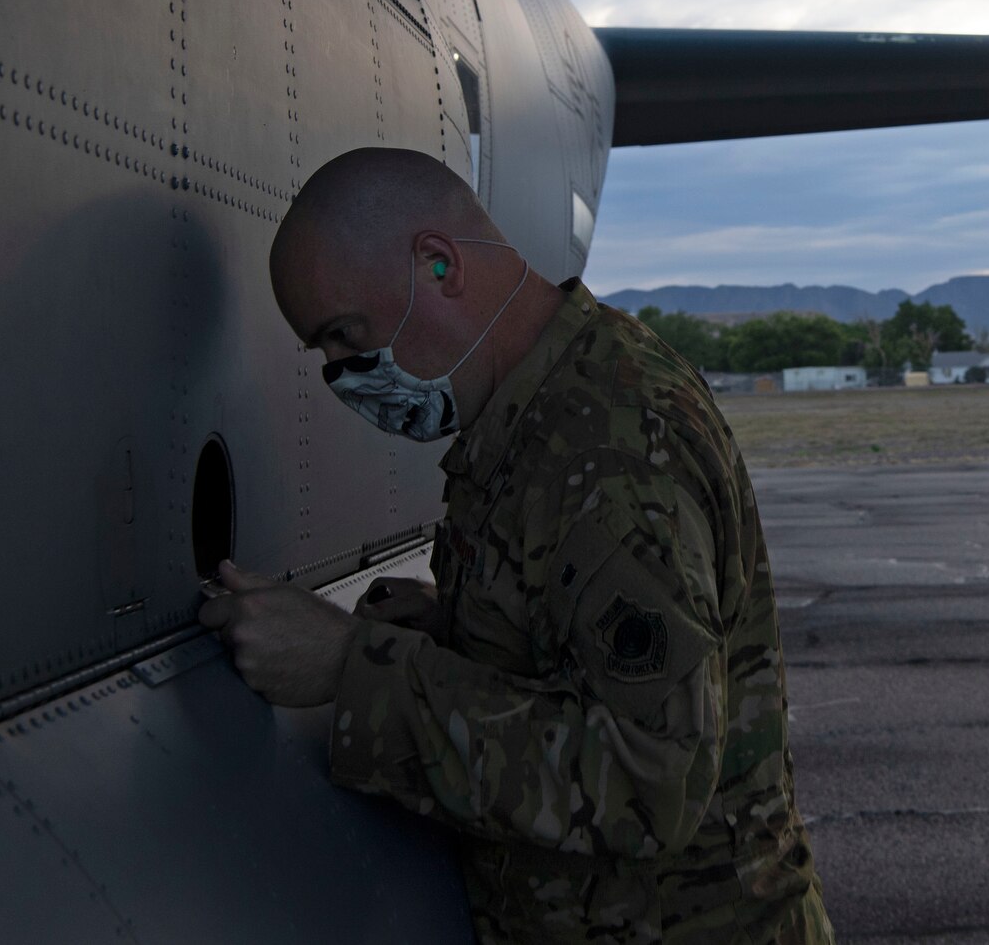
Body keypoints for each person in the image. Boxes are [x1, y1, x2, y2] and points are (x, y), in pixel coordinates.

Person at [198, 147, 832, 944]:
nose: (344, 375)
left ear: (438, 265)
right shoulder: (551, 403)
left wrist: (351, 669)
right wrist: (460, 625)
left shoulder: (605, 451)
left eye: (346, 336)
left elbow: (648, 777)